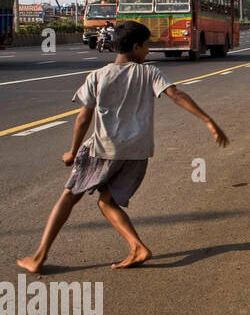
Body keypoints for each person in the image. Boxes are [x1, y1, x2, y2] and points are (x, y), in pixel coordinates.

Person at [18, 21, 230, 274]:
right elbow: (177, 95)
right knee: (106, 202)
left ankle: (39, 256)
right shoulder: (150, 73)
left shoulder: (98, 76)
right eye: (147, 45)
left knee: (68, 197)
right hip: (137, 152)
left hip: (104, 149)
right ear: (136, 46)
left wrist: (73, 152)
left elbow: (83, 118)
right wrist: (209, 121)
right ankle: (137, 247)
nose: (149, 50)